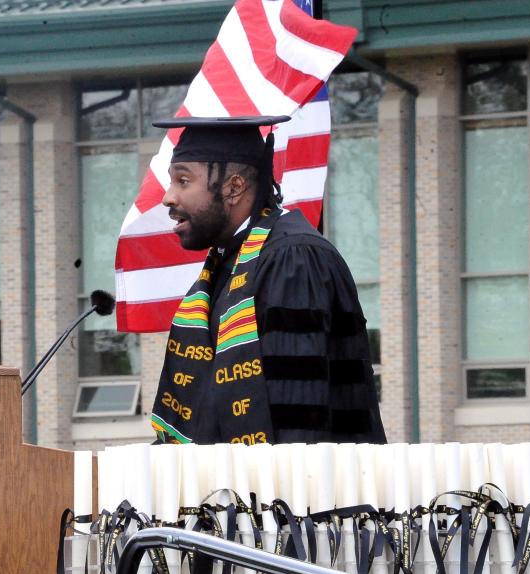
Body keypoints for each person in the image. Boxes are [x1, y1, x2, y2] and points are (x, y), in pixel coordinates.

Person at [149, 115, 386, 445]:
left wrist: (276, 497)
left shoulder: (292, 258)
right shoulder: (229, 263)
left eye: (183, 181)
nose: (168, 198)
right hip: (242, 488)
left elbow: (295, 416)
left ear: (234, 187)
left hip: (300, 492)